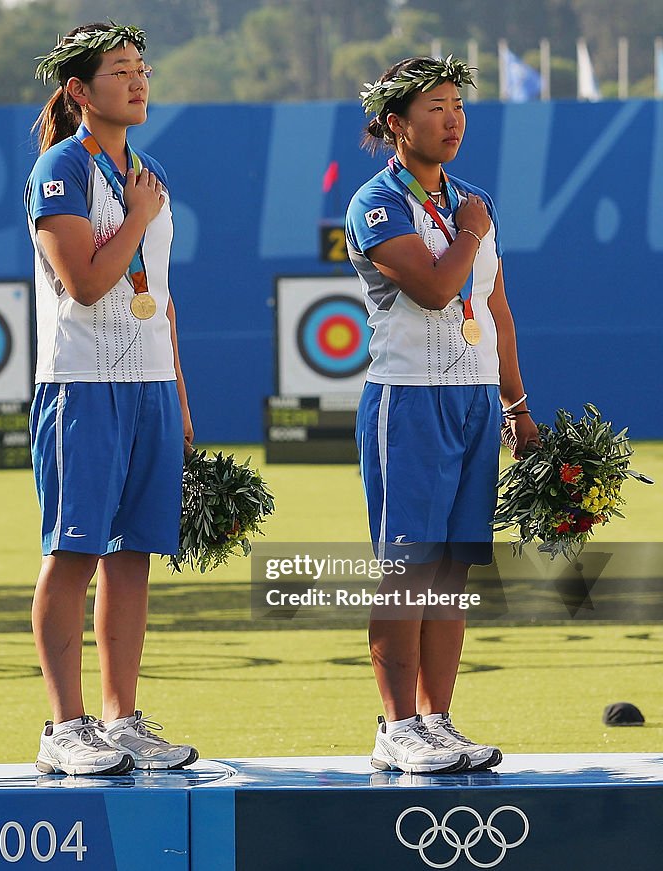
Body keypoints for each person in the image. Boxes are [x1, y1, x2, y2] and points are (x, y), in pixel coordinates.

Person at [346, 56, 540, 774]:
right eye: (435, 107)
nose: (453, 119)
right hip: (409, 399)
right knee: (408, 565)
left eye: (458, 105)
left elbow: (493, 307)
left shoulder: (472, 200)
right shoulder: (378, 203)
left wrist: (517, 405)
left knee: (453, 569)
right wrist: (465, 233)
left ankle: (437, 718)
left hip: (473, 401)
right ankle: (396, 724)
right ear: (397, 123)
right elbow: (433, 288)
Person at [24, 23, 197, 776]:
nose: (138, 81)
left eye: (141, 69)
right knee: (74, 552)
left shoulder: (148, 172)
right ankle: (65, 725)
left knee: (134, 559)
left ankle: (121, 719)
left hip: (149, 385)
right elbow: (89, 282)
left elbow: (160, 296)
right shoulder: (59, 171)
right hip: (82, 384)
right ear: (78, 91)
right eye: (120, 71)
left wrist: (181, 398)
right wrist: (134, 217)